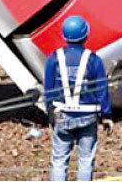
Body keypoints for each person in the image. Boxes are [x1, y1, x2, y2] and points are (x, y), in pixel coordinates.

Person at [44, 15, 111, 182]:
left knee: (59, 161)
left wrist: (50, 111)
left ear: (64, 36)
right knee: (86, 161)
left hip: (62, 114)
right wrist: (107, 115)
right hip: (88, 116)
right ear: (86, 35)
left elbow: (48, 88)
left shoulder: (54, 58)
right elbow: (102, 89)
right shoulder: (93, 60)